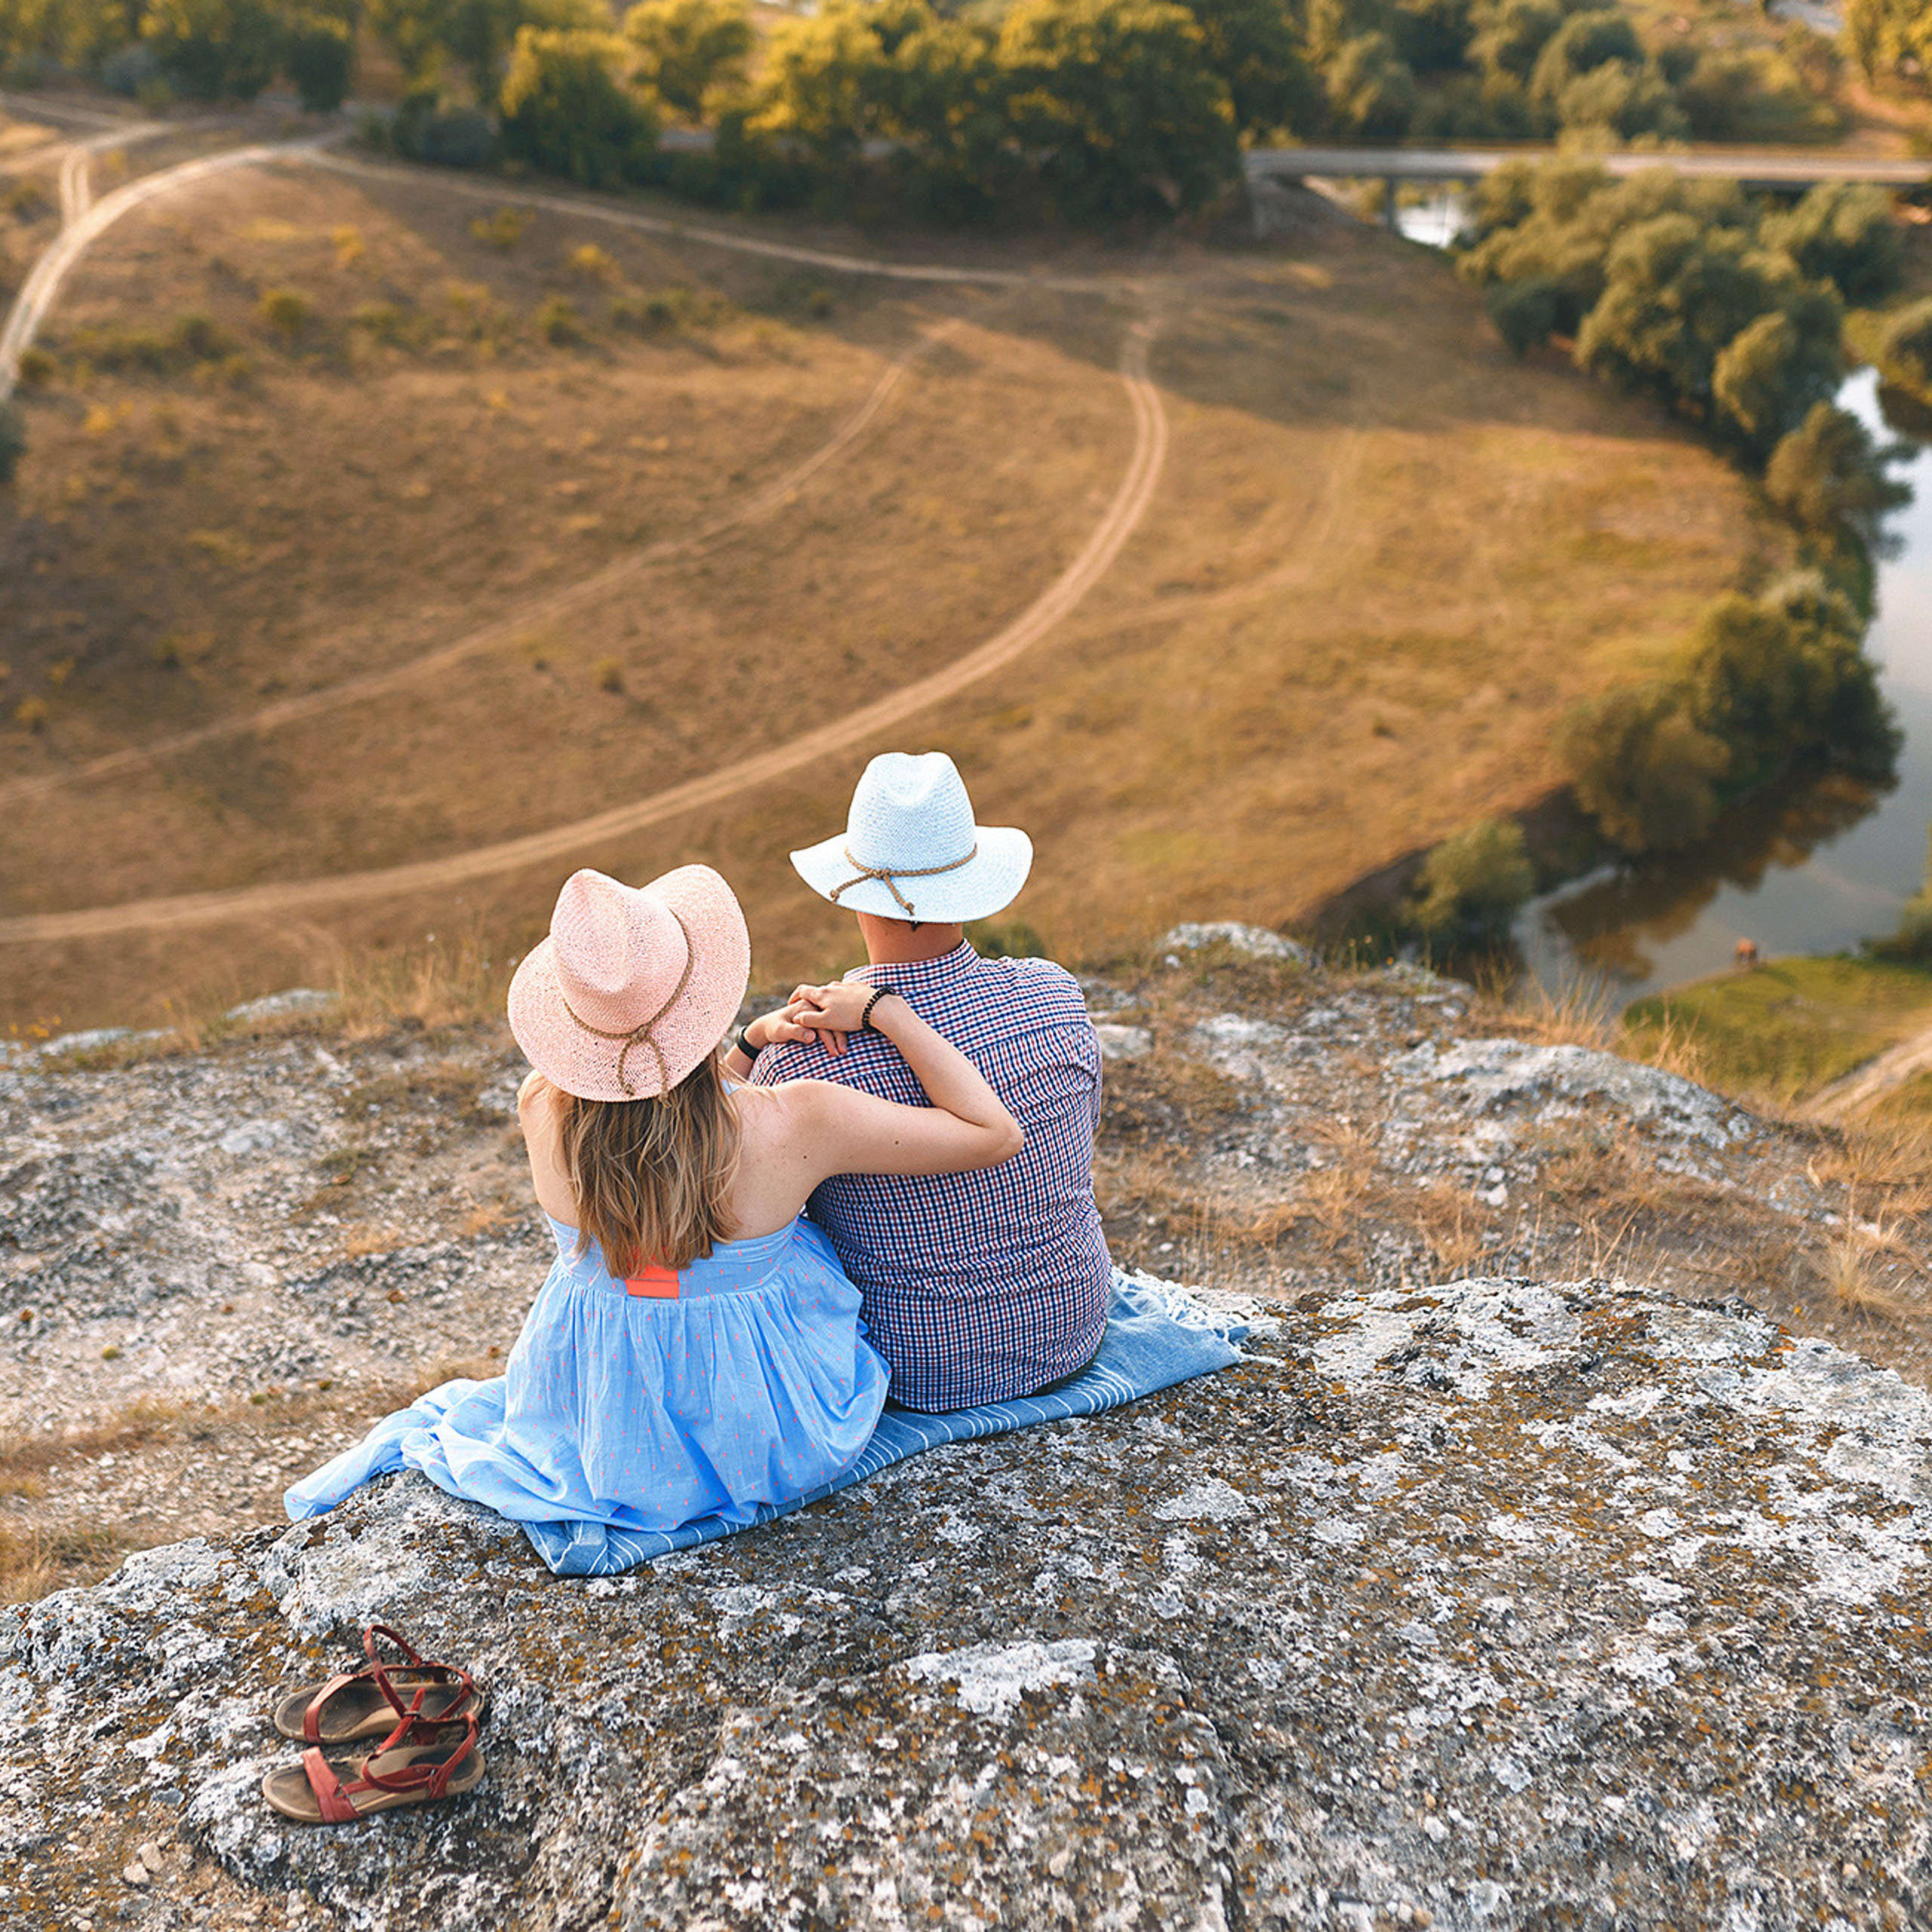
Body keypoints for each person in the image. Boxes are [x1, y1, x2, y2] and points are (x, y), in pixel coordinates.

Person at [286, 861, 1022, 1537]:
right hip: (765, 1428)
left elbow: (661, 1152)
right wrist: (887, 1011)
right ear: (703, 998)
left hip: (596, 1419)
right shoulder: (799, 1118)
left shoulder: (539, 1109)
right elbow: (990, 1133)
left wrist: (747, 1046)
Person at [735, 751, 1112, 1414]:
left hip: (920, 1372)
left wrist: (748, 1045)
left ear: (853, 897)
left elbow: (737, 1211)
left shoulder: (801, 1060)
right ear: (969, 884)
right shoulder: (1056, 994)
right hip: (1074, 1329)